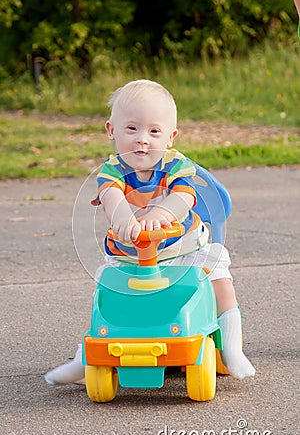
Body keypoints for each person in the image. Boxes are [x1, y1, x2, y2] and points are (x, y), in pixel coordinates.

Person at [45, 79, 255, 385]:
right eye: (132, 129)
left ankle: (233, 348)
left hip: (184, 250)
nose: (142, 139)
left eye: (154, 131)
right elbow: (111, 196)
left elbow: (184, 196)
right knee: (106, 296)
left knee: (219, 278)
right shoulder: (112, 170)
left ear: (170, 137)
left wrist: (161, 213)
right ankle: (86, 357)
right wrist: (123, 219)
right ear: (111, 131)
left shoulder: (176, 165)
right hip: (131, 256)